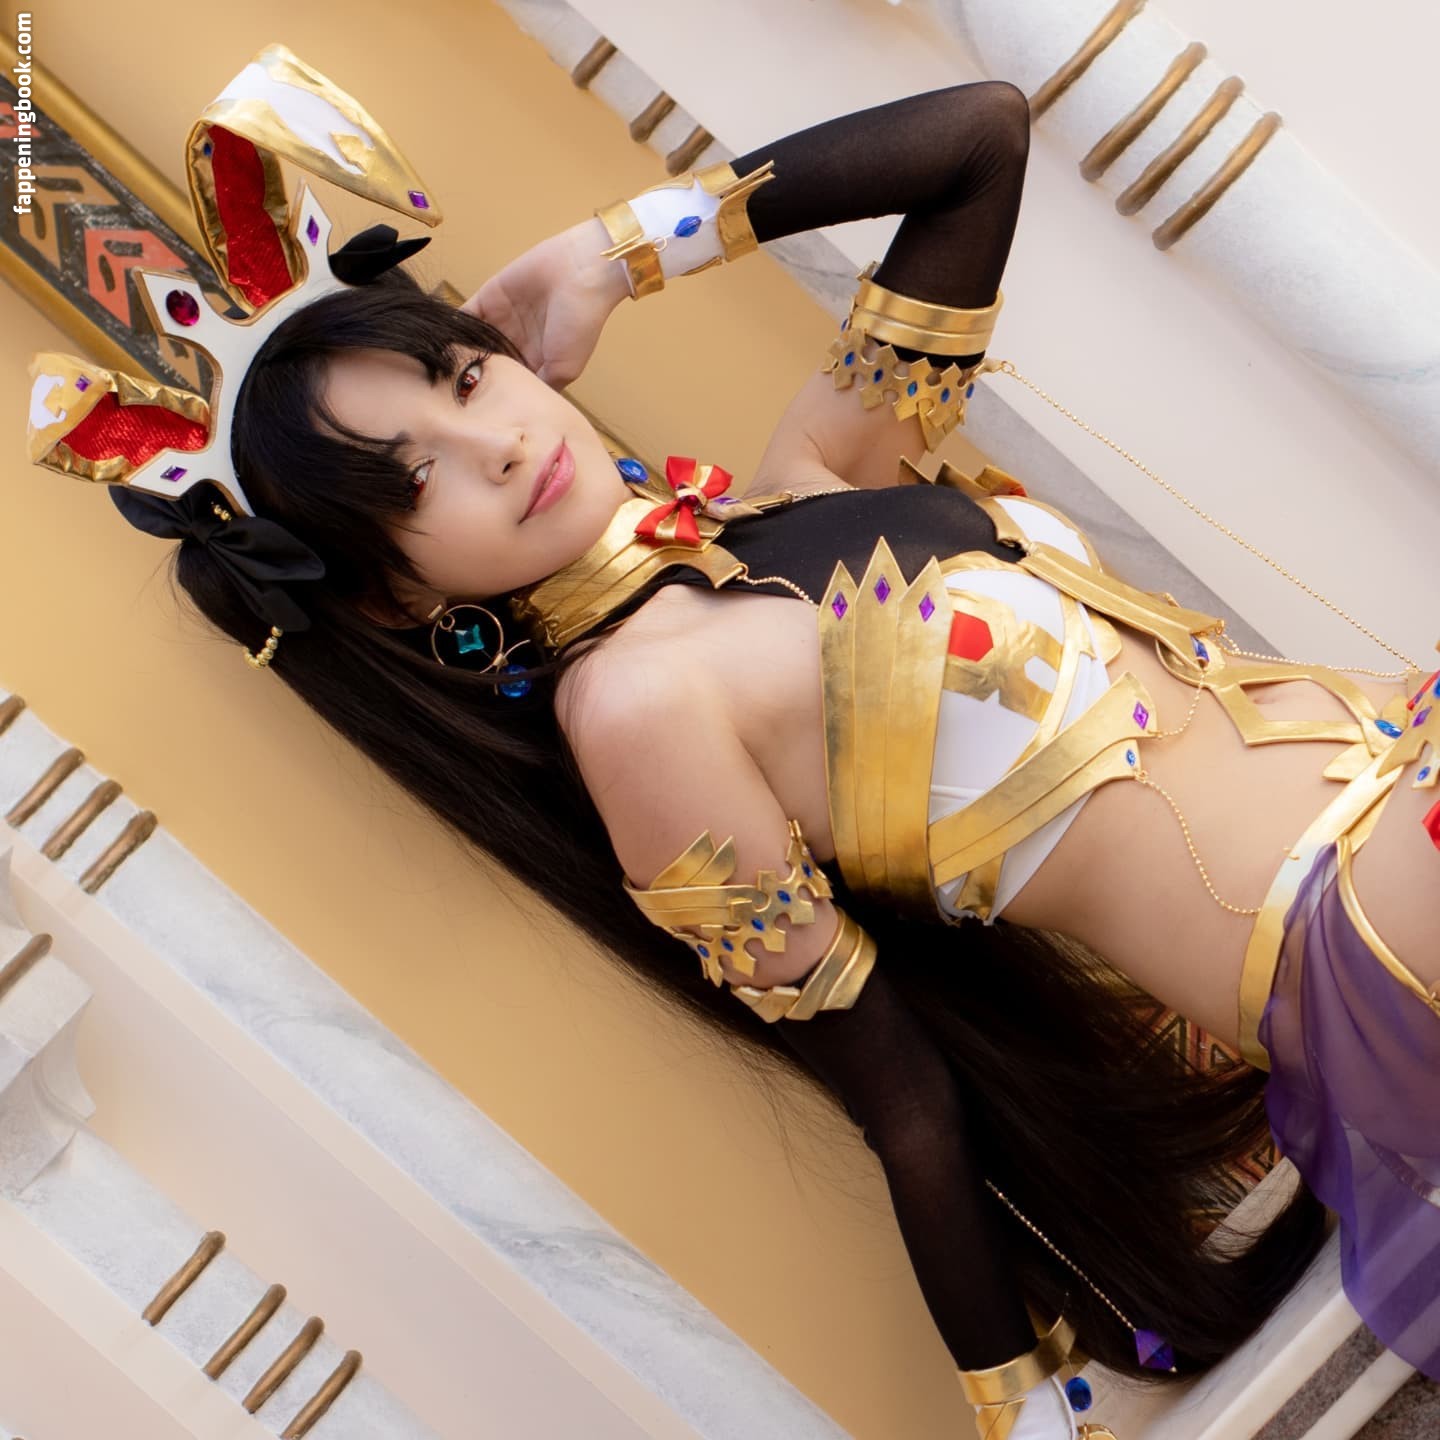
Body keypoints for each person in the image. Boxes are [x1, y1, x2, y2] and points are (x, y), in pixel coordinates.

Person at [26, 46, 1439, 1440]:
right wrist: (1021, 1404)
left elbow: (978, 139)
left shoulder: (814, 478)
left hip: (1400, 767)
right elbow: (903, 1094)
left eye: (461, 380)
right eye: (412, 484)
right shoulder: (637, 714)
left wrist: (611, 254)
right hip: (1352, 938)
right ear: (396, 596)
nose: (495, 444)